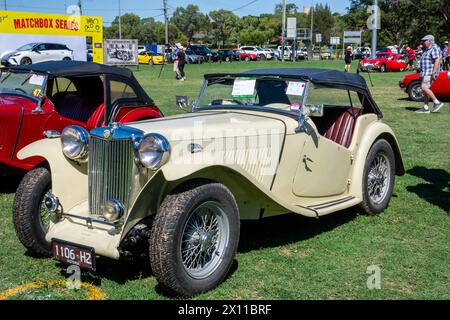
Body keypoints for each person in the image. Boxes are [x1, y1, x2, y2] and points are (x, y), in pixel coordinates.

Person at [416, 35, 444, 114]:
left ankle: (437, 102)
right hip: (425, 72)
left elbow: (437, 60)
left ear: (430, 41)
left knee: (424, 87)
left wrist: (433, 72)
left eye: (425, 41)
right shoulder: (427, 49)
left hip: (429, 72)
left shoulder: (434, 47)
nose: (423, 43)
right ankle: (426, 107)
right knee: (426, 91)